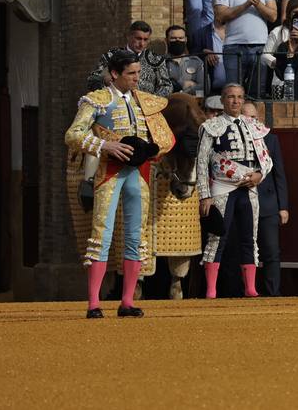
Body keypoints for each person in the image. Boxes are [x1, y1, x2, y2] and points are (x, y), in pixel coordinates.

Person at [64, 50, 175, 318]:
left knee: (136, 236)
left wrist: (150, 150)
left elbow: (165, 140)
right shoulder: (96, 100)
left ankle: (127, 301)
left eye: (139, 73)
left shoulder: (145, 102)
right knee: (102, 232)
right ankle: (93, 303)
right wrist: (106, 145)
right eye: (132, 74)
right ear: (115, 74)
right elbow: (72, 135)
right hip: (109, 170)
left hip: (138, 173)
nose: (138, 78)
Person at [197, 82, 273, 299]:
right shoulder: (211, 126)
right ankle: (211, 289)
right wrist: (205, 195)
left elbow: (266, 158)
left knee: (250, 237)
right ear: (222, 100)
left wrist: (260, 175)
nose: (236, 101)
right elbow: (202, 162)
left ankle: (250, 287)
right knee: (217, 237)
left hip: (249, 187)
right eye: (231, 97)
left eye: (239, 97)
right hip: (221, 187)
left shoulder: (253, 125)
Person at [245, 101, 288, 298]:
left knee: (271, 252)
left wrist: (283, 206)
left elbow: (279, 174)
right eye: (246, 117)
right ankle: (242, 291)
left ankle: (273, 294)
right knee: (243, 251)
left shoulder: (270, 139)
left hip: (268, 203)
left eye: (253, 117)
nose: (250, 121)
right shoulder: (232, 138)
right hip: (243, 203)